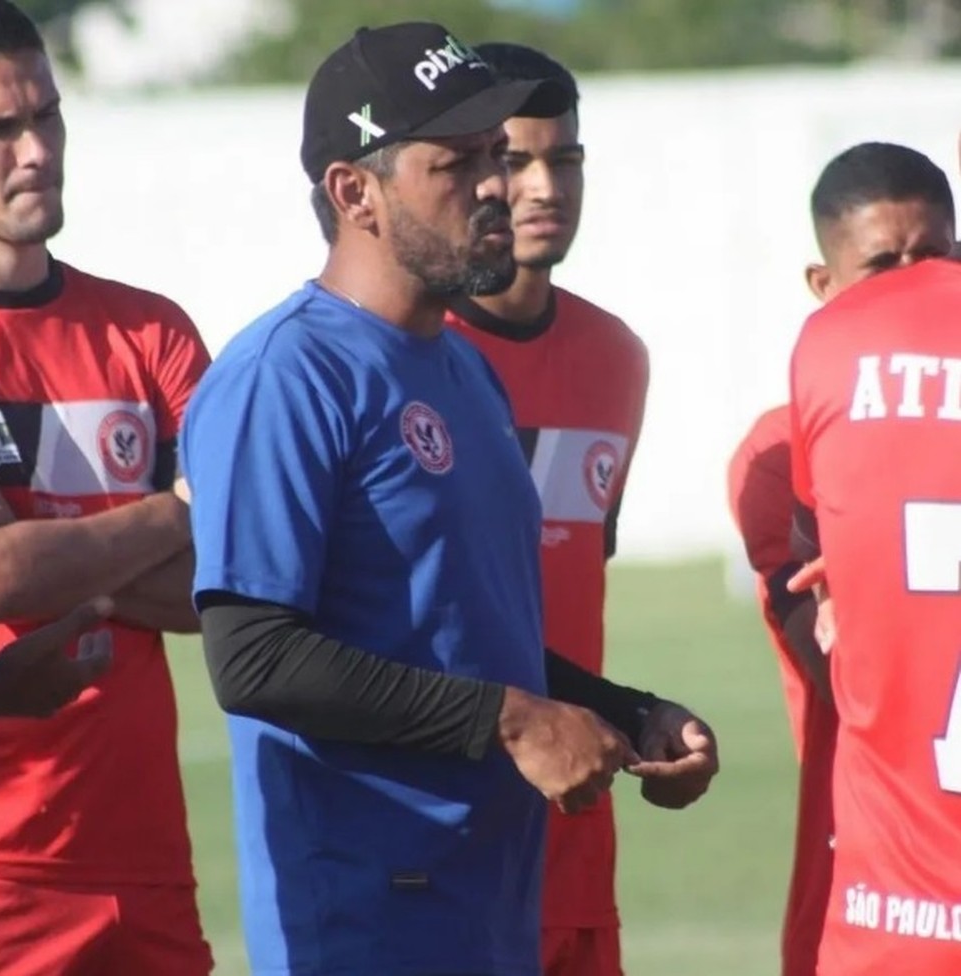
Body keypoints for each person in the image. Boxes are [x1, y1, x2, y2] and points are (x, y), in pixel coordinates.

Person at [182, 21, 718, 976]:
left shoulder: (465, 373)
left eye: (492, 158)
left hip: (489, 903)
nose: (494, 188)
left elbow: (475, 629)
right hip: (363, 916)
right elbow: (253, 657)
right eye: (455, 163)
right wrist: (512, 721)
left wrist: (628, 712)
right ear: (356, 192)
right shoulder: (284, 374)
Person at [442, 43, 701, 976]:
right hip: (447, 846)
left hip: (580, 842)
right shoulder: (413, 358)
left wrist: (636, 720)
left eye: (567, 158)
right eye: (515, 160)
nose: (545, 186)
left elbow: (574, 581)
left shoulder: (616, 358)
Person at [0, 2, 212, 973]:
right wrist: (172, 513)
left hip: (148, 860)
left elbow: (230, 583)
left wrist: (47, 554)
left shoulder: (152, 332)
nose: (35, 149)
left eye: (48, 116)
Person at [729, 141, 956, 976]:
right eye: (882, 265)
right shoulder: (776, 454)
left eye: (931, 256)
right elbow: (852, 674)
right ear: (822, 289)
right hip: (867, 868)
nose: (910, 283)